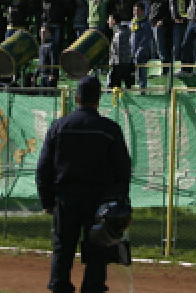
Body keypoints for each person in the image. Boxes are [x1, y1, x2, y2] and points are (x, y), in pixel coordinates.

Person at [36, 75, 132, 293]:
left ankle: (60, 286)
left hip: (66, 198)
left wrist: (47, 201)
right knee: (98, 248)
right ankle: (93, 287)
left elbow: (44, 167)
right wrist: (120, 199)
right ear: (98, 100)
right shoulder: (109, 129)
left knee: (63, 247)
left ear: (76, 98)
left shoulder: (59, 127)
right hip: (99, 201)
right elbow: (122, 168)